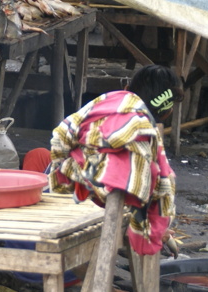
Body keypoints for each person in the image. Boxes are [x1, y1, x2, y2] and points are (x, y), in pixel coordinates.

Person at [25, 64, 181, 256]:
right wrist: (158, 232)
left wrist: (63, 169)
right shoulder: (146, 141)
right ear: (166, 111)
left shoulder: (106, 101)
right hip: (72, 241)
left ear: (127, 88)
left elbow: (60, 138)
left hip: (38, 222)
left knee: (43, 158)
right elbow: (148, 199)